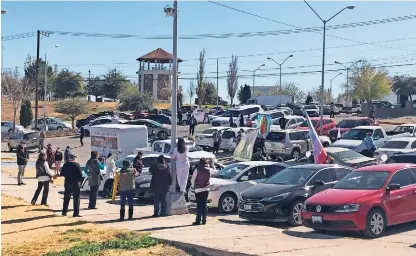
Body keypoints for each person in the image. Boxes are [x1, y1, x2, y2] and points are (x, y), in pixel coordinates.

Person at [191, 158, 212, 225]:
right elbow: (210, 177)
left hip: (198, 189)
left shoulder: (197, 169)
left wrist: (194, 185)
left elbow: (192, 179)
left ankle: (198, 220)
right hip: (206, 189)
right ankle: (204, 219)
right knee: (204, 204)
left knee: (199, 205)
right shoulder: (209, 170)